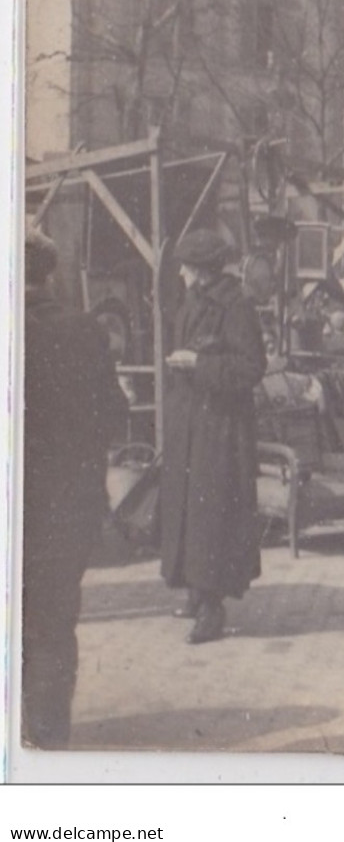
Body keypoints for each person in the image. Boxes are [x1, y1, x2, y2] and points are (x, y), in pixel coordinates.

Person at [23, 225, 128, 748]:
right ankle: (47, 743)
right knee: (53, 623)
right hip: (68, 509)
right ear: (51, 273)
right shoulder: (86, 331)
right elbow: (116, 416)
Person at [161, 228, 267, 644]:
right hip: (190, 422)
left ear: (203, 270)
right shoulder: (192, 302)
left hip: (220, 429)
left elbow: (251, 367)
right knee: (187, 511)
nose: (182, 273)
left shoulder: (237, 305)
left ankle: (212, 609)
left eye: (187, 266)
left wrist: (198, 363)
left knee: (211, 517)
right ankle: (194, 590)